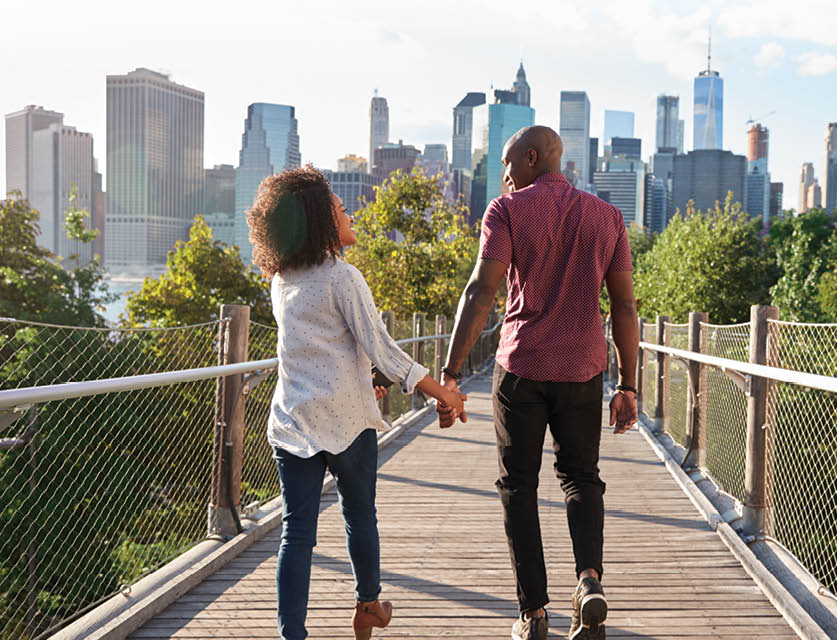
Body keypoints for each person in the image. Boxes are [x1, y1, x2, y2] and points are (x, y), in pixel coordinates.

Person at [247, 166, 468, 640]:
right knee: (359, 516)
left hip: (293, 423)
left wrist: (366, 377)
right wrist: (444, 393)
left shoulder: (281, 282)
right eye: (343, 211)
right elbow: (385, 349)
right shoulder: (343, 278)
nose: (352, 217)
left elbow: (320, 347)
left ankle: (293, 636)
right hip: (346, 422)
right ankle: (368, 605)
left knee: (296, 533)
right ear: (320, 223)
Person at [437, 126, 640, 640]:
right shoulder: (608, 216)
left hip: (522, 368)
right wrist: (629, 385)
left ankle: (533, 615)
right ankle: (589, 580)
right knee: (581, 477)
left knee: (518, 486)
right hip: (583, 370)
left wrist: (452, 373)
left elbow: (482, 290)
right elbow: (625, 305)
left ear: (532, 158)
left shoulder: (505, 211)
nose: (504, 178)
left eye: (507, 166)